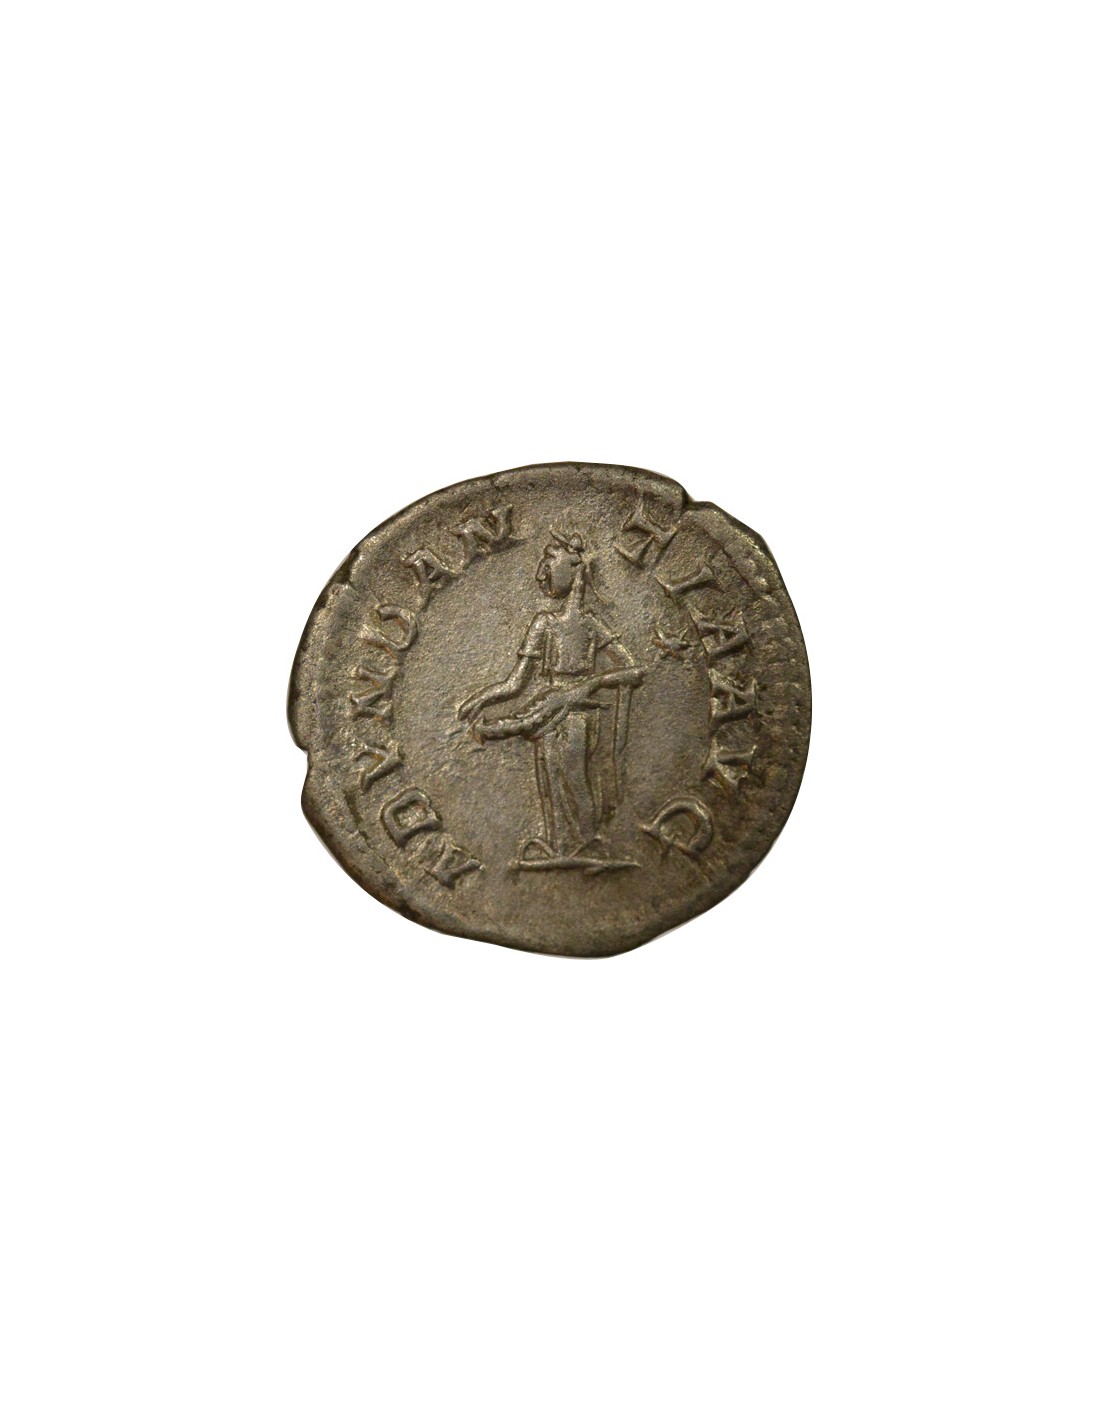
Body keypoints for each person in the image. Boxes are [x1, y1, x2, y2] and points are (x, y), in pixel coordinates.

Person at [458, 534, 643, 867]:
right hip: (549, 706)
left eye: (549, 563)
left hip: (579, 713)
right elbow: (516, 683)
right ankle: (560, 849)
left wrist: (592, 684)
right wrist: (482, 699)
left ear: (573, 570)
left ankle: (588, 846)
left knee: (574, 779)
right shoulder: (544, 623)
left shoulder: (591, 625)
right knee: (551, 781)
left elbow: (634, 670)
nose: (541, 574)